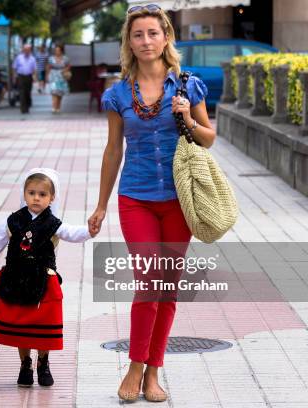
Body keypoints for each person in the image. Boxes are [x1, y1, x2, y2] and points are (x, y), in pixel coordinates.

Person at [87, 4, 215, 403]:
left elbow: (208, 137)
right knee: (148, 285)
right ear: (129, 41)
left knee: (168, 288)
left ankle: (154, 370)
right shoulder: (118, 94)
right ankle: (135, 366)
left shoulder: (187, 85)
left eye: (153, 33)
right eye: (138, 34)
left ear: (165, 38)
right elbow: (112, 151)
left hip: (180, 200)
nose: (146, 41)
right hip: (136, 198)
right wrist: (101, 204)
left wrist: (188, 120)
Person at [0, 168, 96, 387]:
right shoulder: (12, 221)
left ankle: (43, 363)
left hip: (44, 281)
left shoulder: (55, 224)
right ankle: (25, 364)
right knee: (21, 324)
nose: (36, 198)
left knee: (43, 324)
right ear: (24, 194)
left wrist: (91, 230)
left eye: (42, 194)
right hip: (15, 277)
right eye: (32, 193)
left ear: (52, 198)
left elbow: (74, 233)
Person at [46, 44, 71, 114]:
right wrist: (47, 76)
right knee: (54, 92)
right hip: (53, 76)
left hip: (61, 76)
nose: (57, 52)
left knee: (60, 93)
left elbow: (69, 66)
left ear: (61, 51)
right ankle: (54, 108)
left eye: (58, 50)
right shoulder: (51, 58)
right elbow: (48, 67)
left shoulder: (65, 58)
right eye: (56, 50)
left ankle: (58, 108)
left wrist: (65, 70)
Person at [13, 44, 36, 114]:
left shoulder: (32, 58)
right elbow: (14, 67)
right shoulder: (19, 57)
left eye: (28, 50)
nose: (26, 51)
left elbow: (34, 69)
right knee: (22, 92)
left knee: (27, 92)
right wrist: (14, 76)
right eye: (25, 50)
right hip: (21, 76)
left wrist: (34, 77)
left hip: (29, 77)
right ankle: (23, 108)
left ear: (30, 50)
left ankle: (27, 105)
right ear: (23, 50)